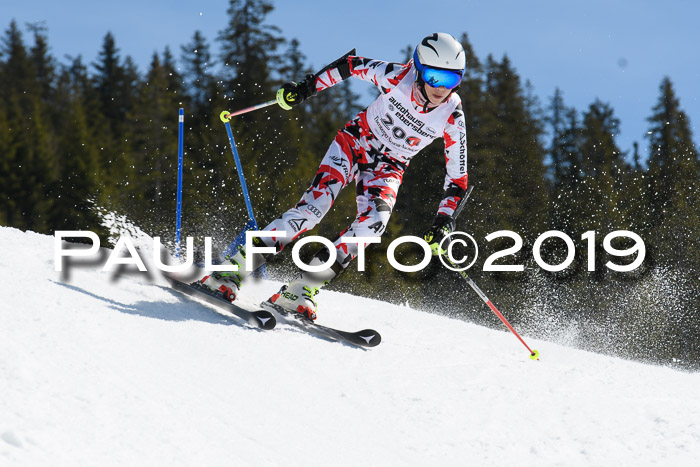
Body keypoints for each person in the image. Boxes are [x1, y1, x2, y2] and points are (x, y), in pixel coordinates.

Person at [199, 32, 468, 321]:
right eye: (434, 77)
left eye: (451, 80)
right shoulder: (394, 77)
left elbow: (457, 179)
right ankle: (231, 270)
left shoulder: (452, 116)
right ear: (418, 68)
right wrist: (306, 88)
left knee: (373, 226)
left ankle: (301, 289)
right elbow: (350, 65)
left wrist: (444, 221)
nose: (441, 89)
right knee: (312, 210)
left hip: (388, 167)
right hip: (354, 142)